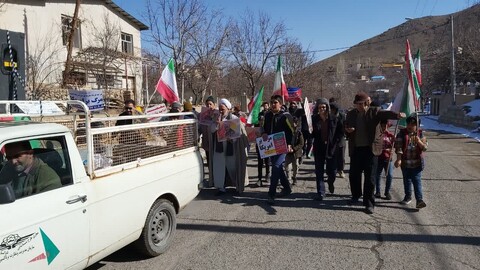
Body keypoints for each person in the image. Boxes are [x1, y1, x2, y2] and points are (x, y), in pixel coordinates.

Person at [345, 91, 405, 214]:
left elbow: (385, 113)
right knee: (354, 175)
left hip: (370, 150)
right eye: (357, 104)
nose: (359, 106)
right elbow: (344, 126)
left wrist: (397, 115)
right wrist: (347, 130)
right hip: (356, 149)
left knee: (370, 178)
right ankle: (356, 195)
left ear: (367, 103)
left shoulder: (374, 112)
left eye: (361, 104)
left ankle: (369, 203)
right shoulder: (351, 114)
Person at [211, 98, 248, 195]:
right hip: (219, 148)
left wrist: (232, 138)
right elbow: (211, 130)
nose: (221, 111)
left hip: (232, 147)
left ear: (228, 109)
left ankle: (237, 186)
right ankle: (221, 187)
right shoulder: (216, 118)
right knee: (220, 168)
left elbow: (239, 133)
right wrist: (217, 124)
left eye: (222, 109)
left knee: (233, 167)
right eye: (220, 109)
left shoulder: (234, 118)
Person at [261, 95, 294, 205]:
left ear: (280, 104)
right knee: (278, 168)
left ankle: (271, 194)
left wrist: (290, 144)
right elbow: (264, 128)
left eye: (275, 102)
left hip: (282, 145)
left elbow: (293, 132)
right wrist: (264, 133)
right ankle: (287, 188)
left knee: (275, 167)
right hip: (271, 146)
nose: (273, 104)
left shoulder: (286, 116)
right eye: (272, 102)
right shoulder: (267, 115)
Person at [311, 98, 344, 200]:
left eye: (324, 107)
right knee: (319, 171)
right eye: (320, 107)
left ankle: (330, 182)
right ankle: (321, 192)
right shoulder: (314, 119)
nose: (322, 109)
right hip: (319, 148)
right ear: (317, 108)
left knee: (332, 171)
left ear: (327, 108)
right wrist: (309, 130)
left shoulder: (334, 118)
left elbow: (340, 132)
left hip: (331, 148)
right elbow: (310, 133)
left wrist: (337, 142)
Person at [394, 115, 428, 209]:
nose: (410, 126)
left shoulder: (420, 134)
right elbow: (399, 147)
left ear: (417, 126)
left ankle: (419, 200)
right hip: (405, 163)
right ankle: (408, 196)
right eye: (408, 123)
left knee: (417, 182)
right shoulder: (401, 133)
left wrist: (419, 142)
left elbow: (425, 148)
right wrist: (399, 159)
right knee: (407, 181)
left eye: (413, 124)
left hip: (417, 163)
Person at [374, 119, 395, 200]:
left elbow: (395, 145)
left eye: (385, 126)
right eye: (382, 126)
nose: (384, 127)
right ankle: (378, 192)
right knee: (377, 175)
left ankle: (387, 192)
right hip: (378, 158)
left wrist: (393, 147)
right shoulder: (377, 135)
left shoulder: (390, 135)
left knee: (390, 175)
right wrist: (384, 149)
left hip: (388, 158)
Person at [199, 96, 217, 187]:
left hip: (216, 143)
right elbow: (200, 128)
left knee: (216, 161)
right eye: (207, 104)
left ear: (214, 105)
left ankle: (218, 179)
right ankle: (211, 179)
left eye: (210, 104)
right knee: (209, 161)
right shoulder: (203, 116)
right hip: (207, 142)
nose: (209, 106)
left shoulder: (218, 115)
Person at [284, 117, 304, 186]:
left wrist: (294, 149)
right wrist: (287, 146)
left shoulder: (299, 132)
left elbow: (301, 143)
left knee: (295, 166)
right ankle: (288, 180)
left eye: (295, 123)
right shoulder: (287, 131)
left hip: (296, 153)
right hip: (288, 152)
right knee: (287, 167)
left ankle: (294, 177)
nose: (293, 124)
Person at [255, 102, 270, 187]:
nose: (261, 122)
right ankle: (259, 178)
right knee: (260, 163)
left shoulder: (267, 127)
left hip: (267, 146)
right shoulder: (257, 127)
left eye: (263, 120)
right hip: (259, 146)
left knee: (267, 162)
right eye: (260, 120)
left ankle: (267, 174)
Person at [330, 102, 346, 178]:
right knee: (333, 156)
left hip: (340, 139)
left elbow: (344, 126)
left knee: (341, 156)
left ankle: (341, 170)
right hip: (332, 139)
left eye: (333, 109)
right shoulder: (329, 117)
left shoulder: (341, 116)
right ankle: (333, 171)